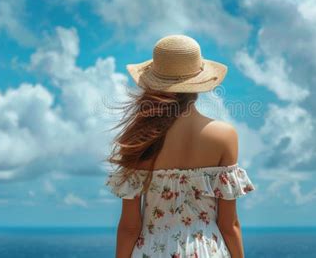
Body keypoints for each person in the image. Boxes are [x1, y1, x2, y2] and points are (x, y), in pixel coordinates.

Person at [105, 34, 255, 258]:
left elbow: (129, 227)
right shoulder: (225, 136)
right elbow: (229, 224)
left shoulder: (139, 139)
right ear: (198, 83)